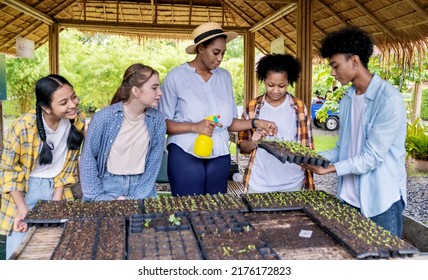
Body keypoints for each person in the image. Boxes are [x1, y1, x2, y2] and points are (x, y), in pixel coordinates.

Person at [303, 26, 407, 237]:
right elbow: (344, 148)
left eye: (335, 65)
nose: (333, 72)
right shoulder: (348, 98)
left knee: (383, 266)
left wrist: (329, 169)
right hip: (348, 199)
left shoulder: (388, 99)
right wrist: (313, 157)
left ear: (355, 61)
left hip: (380, 202)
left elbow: (371, 157)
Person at [159, 22, 277, 196]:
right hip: (185, 152)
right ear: (200, 48)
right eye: (216, 52)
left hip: (219, 153)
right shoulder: (176, 77)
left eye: (223, 53)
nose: (220, 58)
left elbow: (229, 122)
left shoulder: (224, 77)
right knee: (188, 210)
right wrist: (195, 127)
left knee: (216, 211)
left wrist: (257, 122)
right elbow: (163, 123)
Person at [0, 74, 85, 259]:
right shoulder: (23, 126)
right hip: (24, 191)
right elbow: (8, 170)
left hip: (58, 189)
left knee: (58, 249)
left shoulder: (76, 121)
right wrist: (22, 208)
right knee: (21, 253)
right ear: (46, 107)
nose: (72, 104)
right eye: (63, 102)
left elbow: (68, 166)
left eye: (73, 97)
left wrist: (57, 199)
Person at [80, 63, 165, 201]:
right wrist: (98, 196)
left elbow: (154, 162)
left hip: (143, 187)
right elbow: (88, 157)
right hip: (107, 186)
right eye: (154, 88)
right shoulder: (104, 118)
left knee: (147, 223)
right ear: (136, 91)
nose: (160, 92)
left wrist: (135, 197)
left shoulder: (158, 120)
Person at [238, 54, 315, 193]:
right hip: (259, 182)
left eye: (282, 86)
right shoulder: (252, 107)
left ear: (289, 82)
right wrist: (255, 141)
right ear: (263, 80)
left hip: (292, 182)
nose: (275, 90)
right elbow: (243, 146)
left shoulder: (299, 107)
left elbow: (308, 147)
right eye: (270, 85)